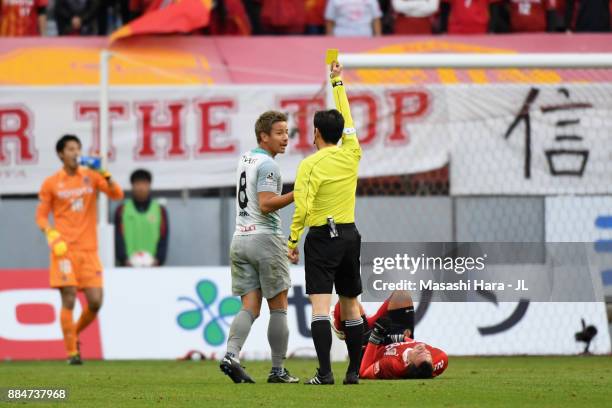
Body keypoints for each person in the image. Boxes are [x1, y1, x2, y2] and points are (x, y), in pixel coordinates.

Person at [287, 60, 364, 385]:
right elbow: (347, 123)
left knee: (320, 307)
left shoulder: (309, 165)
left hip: (322, 236)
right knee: (351, 305)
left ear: (316, 133)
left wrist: (292, 241)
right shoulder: (353, 153)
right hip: (349, 234)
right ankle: (353, 372)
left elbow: (302, 207)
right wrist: (337, 83)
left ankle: (325, 372)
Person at [220, 111, 298, 384]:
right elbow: (266, 203)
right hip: (265, 239)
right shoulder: (268, 165)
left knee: (250, 306)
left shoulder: (245, 158)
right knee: (278, 307)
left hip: (240, 238)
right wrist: (297, 192)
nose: (285, 138)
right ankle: (278, 370)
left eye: (286, 132)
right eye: (279, 133)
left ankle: (231, 354)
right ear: (263, 136)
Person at [35, 134, 123, 364]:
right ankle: (72, 352)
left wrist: (104, 172)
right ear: (61, 154)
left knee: (95, 301)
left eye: (78, 148)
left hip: (88, 250)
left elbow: (117, 194)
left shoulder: (91, 177)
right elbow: (41, 217)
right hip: (64, 250)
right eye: (70, 149)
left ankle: (72, 333)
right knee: (69, 297)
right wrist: (52, 236)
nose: (75, 153)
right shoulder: (51, 183)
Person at [359, 318, 449, 379]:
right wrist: (396, 338)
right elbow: (412, 342)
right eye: (427, 353)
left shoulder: (393, 364)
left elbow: (363, 372)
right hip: (390, 339)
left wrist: (376, 335)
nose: (423, 347)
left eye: (420, 352)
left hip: (368, 350)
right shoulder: (440, 358)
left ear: (408, 363)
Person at [114, 169, 169, 267]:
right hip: (128, 266)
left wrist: (158, 260)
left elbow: (163, 238)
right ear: (132, 186)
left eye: (144, 183)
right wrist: (124, 259)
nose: (141, 187)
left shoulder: (160, 210)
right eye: (137, 183)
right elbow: (118, 238)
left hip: (153, 266)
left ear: (149, 185)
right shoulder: (122, 210)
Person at [332, 290, 416, 345]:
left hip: (373, 348)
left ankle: (340, 326)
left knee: (347, 302)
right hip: (397, 344)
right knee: (401, 295)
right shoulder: (423, 354)